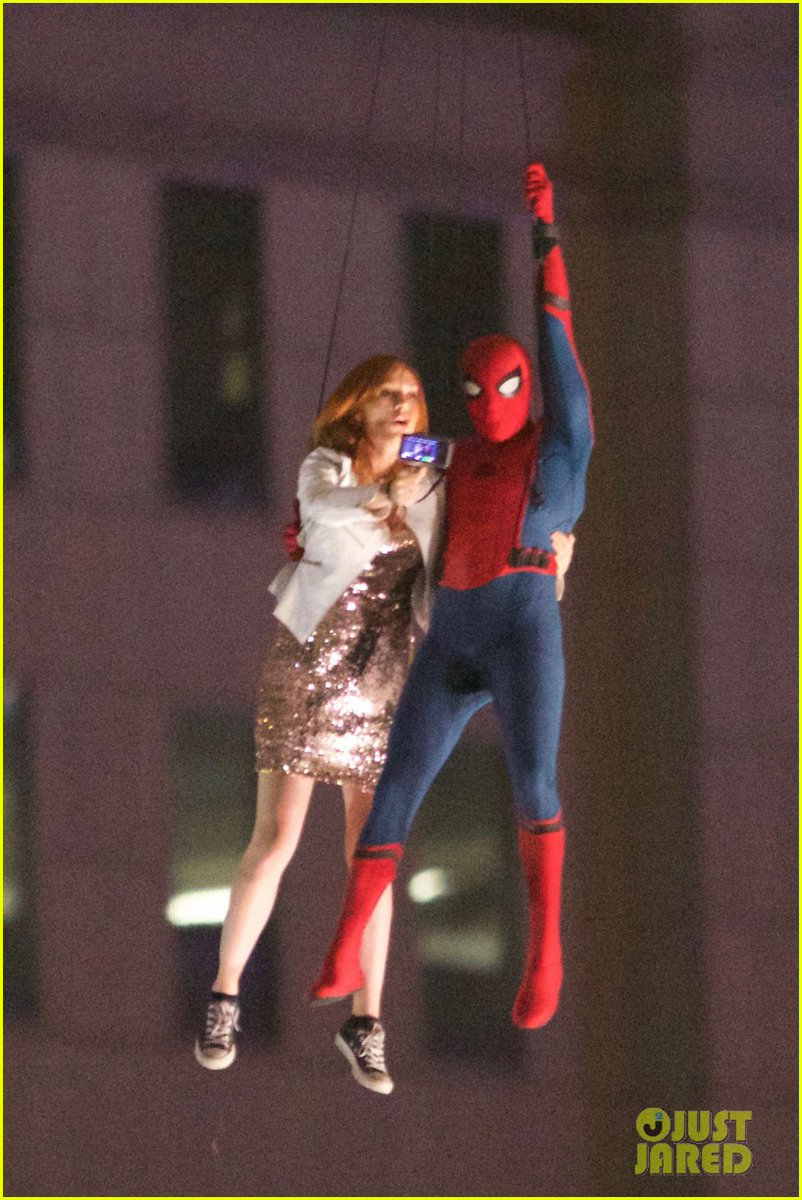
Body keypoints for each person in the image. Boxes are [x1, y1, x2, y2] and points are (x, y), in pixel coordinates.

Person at [310, 163, 592, 1035]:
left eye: (500, 389)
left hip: (520, 625)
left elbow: (557, 338)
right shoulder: (453, 455)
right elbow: (384, 459)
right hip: (455, 631)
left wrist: (546, 237)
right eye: (473, 391)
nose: (486, 403)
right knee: (397, 784)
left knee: (533, 782)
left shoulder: (558, 445)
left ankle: (544, 955)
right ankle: (347, 940)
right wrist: (314, 511)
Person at [194, 355, 441, 1094]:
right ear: (358, 406)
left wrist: (546, 558)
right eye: (387, 394)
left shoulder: (431, 474)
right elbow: (320, 510)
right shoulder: (329, 466)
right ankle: (225, 994)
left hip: (382, 678)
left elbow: (464, 536)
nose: (403, 404)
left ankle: (367, 1021)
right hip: (307, 664)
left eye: (412, 394)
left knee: (374, 855)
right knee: (276, 838)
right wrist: (382, 495)